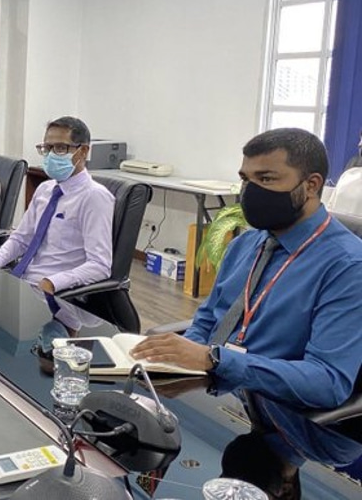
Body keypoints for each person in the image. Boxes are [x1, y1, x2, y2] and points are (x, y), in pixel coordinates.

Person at [131, 128, 362, 409]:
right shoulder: (245, 244)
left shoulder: (348, 266)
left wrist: (215, 359)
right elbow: (207, 319)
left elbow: (328, 382)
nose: (250, 191)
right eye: (245, 179)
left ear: (311, 185)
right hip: (207, 392)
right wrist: (178, 362)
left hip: (276, 414)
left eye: (266, 179)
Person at [0, 116, 114, 295]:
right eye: (47, 148)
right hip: (22, 281)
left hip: (54, 292)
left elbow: (100, 265)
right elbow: (21, 239)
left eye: (60, 148)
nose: (51, 155)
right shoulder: (45, 189)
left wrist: (53, 282)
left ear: (83, 151)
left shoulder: (94, 197)